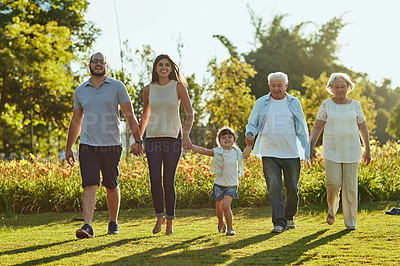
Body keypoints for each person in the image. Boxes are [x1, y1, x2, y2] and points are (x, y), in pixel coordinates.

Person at [65, 52, 143, 239]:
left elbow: (129, 115)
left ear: (106, 66)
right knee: (89, 184)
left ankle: (113, 222)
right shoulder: (80, 90)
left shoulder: (117, 86)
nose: (98, 64)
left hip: (111, 144)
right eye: (95, 61)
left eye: (102, 62)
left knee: (111, 184)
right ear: (90, 65)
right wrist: (69, 147)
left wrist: (138, 140)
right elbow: (76, 121)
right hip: (88, 145)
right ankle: (87, 226)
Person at [245, 72, 310, 233]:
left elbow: (302, 128)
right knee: (274, 188)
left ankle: (289, 217)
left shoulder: (294, 102)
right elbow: (252, 123)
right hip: (269, 151)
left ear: (286, 85)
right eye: (273, 85)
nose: (276, 88)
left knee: (292, 188)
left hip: (291, 152)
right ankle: (279, 222)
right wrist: (249, 134)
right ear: (269, 86)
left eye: (279, 85)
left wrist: (308, 149)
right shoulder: (261, 103)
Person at [139, 54, 194, 235]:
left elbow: (190, 113)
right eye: (160, 65)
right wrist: (138, 139)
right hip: (153, 138)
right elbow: (145, 116)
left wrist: (185, 135)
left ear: (172, 68)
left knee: (168, 181)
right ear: (155, 68)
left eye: (167, 65)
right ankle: (159, 217)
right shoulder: (148, 89)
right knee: (154, 179)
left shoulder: (178, 87)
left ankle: (170, 221)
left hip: (173, 139)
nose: (164, 67)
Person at [310, 73, 371, 231]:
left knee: (350, 187)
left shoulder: (355, 105)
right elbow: (317, 127)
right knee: (333, 183)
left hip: (352, 149)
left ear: (348, 87)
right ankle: (331, 211)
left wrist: (368, 150)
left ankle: (350, 221)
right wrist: (311, 145)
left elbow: (362, 127)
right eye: (336, 87)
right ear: (331, 88)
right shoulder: (326, 104)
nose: (339, 90)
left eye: (342, 86)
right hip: (331, 149)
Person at [189, 126, 252, 235]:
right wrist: (192, 147)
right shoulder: (218, 151)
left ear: (234, 139)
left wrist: (249, 146)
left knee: (225, 206)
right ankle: (220, 222)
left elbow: (245, 155)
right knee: (219, 209)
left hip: (231, 185)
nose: (227, 139)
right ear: (219, 141)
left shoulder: (236, 152)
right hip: (219, 184)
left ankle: (230, 229)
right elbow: (204, 150)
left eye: (229, 137)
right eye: (223, 138)